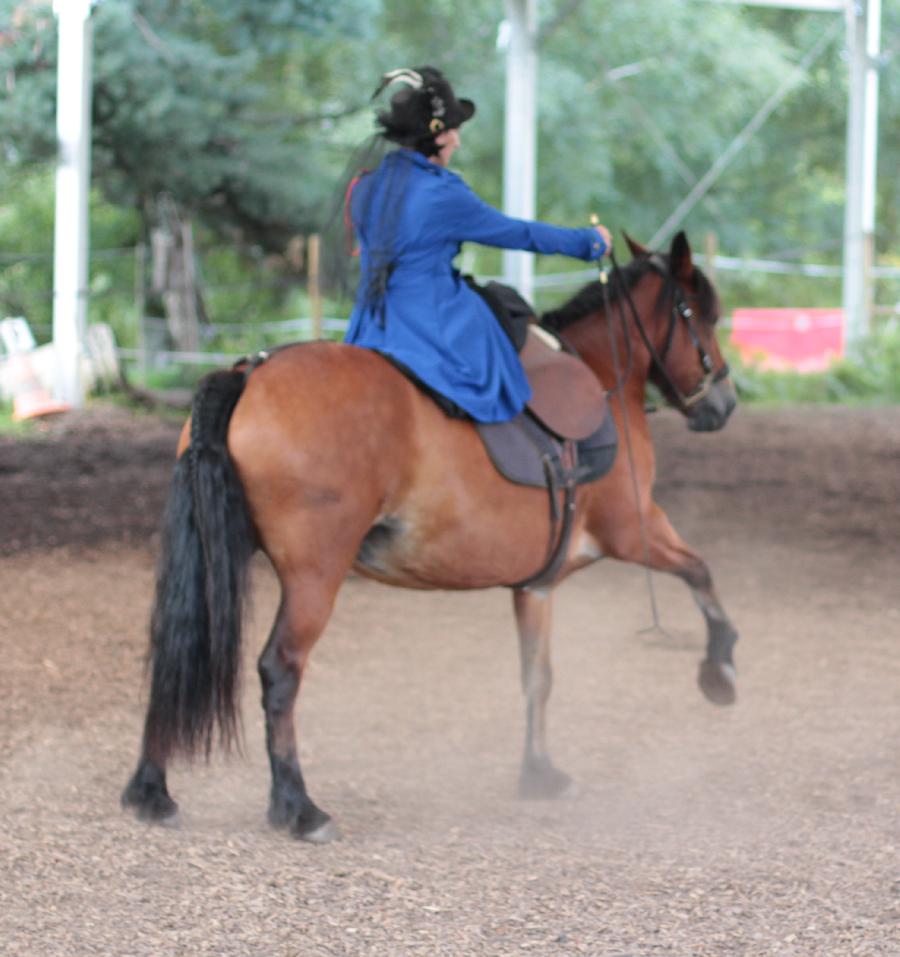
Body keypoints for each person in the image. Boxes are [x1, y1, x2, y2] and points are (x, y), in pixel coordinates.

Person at [344, 65, 612, 423]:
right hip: (427, 320)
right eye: (455, 130)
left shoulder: (365, 186)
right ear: (438, 136)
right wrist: (589, 242)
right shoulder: (443, 194)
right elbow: (519, 233)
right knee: (503, 348)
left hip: (371, 320)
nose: (458, 140)